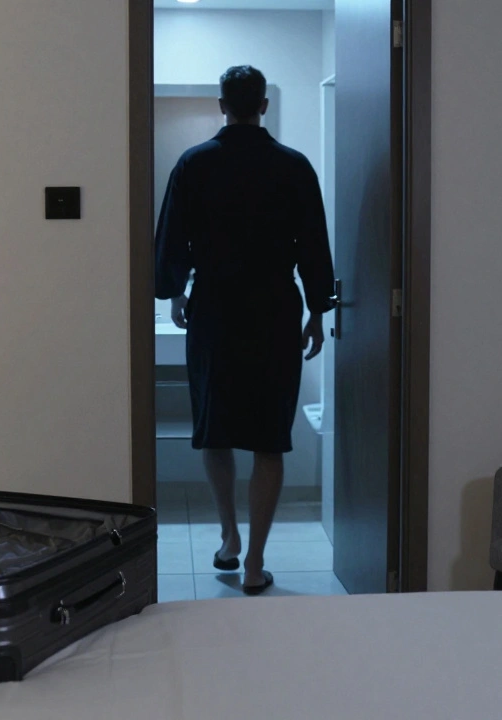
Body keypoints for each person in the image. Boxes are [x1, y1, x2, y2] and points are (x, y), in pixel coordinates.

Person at [154, 65, 335, 595]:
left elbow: (172, 240)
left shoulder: (194, 164)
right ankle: (255, 563)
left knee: (216, 427)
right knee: (267, 439)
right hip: (275, 310)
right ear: (264, 105)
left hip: (213, 310)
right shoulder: (293, 167)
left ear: (221, 105)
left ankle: (229, 536)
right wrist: (318, 310)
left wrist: (177, 291)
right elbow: (313, 246)